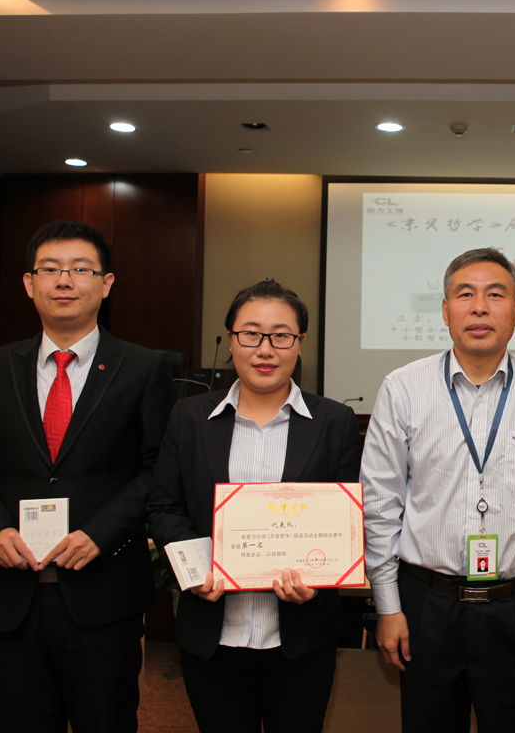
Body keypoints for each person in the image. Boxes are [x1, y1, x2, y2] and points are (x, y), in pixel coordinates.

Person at [0, 220, 175, 733]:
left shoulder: (143, 368)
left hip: (102, 593)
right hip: (10, 595)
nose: (64, 280)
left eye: (80, 269)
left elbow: (158, 467)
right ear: (29, 283)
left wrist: (100, 533)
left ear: (106, 284)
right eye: (50, 269)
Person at [361, 247, 515, 733]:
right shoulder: (402, 388)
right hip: (426, 606)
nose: (480, 307)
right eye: (465, 295)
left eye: (496, 295)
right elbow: (380, 506)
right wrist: (388, 606)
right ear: (445, 310)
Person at [147, 279, 361, 733]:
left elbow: (344, 521)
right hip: (213, 633)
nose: (265, 349)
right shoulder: (190, 417)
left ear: (300, 343)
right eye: (251, 334)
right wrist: (195, 568)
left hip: (301, 636)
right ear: (230, 339)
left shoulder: (334, 421)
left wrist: (318, 580)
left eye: (281, 335)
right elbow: (165, 507)